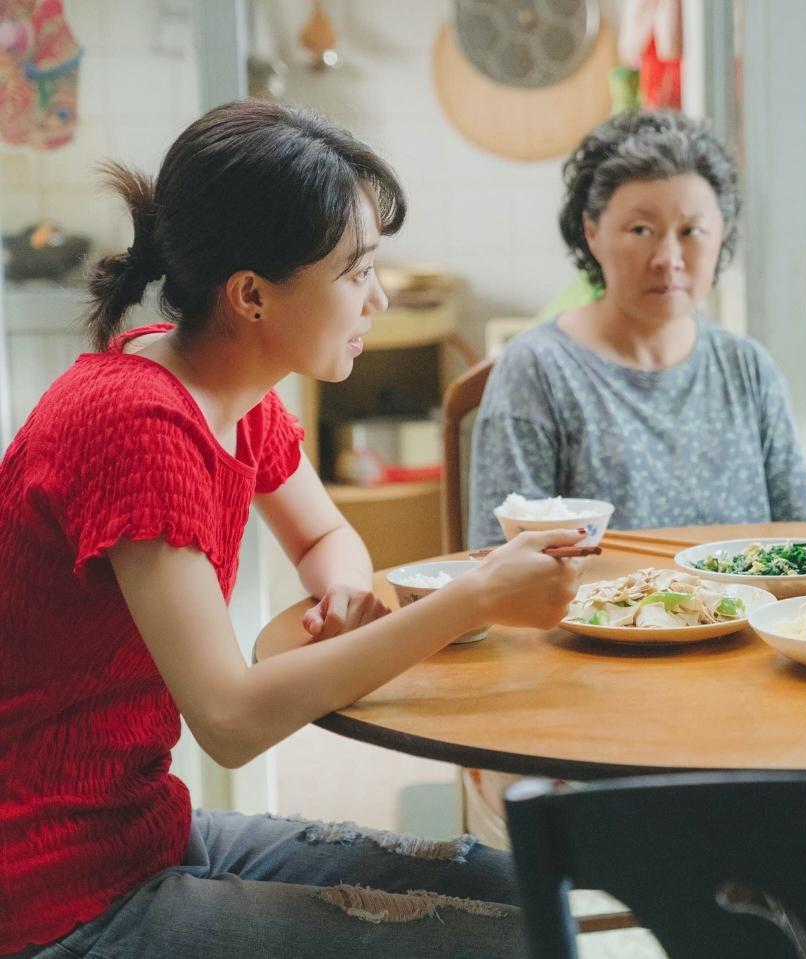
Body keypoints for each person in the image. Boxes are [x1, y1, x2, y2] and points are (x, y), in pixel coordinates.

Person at [0, 99, 585, 958]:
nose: (377, 298)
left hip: (145, 834)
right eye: (356, 273)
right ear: (251, 296)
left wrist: (345, 592)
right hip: (55, 893)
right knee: (492, 943)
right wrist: (470, 601)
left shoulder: (225, 387)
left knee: (514, 888)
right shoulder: (138, 426)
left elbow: (324, 538)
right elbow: (230, 720)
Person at [468, 109, 806, 548]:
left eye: (692, 231)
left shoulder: (746, 368)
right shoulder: (539, 369)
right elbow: (496, 563)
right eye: (641, 230)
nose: (668, 258)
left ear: (722, 235)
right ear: (592, 231)